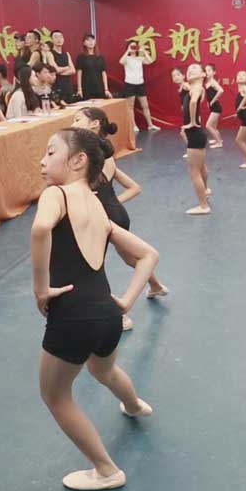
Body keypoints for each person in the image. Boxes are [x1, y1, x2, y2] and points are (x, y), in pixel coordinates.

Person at [32, 126, 158, 491]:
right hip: (107, 314)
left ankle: (106, 470)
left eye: (50, 152)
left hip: (72, 316)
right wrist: (127, 301)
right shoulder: (99, 207)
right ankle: (134, 405)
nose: (42, 161)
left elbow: (40, 229)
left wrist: (40, 289)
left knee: (55, 396)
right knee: (104, 369)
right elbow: (149, 255)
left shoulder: (56, 194)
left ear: (78, 161)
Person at [72, 106, 169, 331]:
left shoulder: (89, 156)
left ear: (94, 124)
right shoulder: (106, 155)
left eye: (77, 120)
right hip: (117, 214)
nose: (73, 124)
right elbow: (135, 187)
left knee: (95, 268)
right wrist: (114, 203)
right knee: (130, 258)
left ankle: (120, 315)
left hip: (103, 219)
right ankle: (155, 286)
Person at [181, 63, 211, 215]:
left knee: (194, 172)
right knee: (201, 167)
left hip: (194, 133)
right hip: (197, 133)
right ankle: (206, 191)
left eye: (194, 69)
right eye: (188, 69)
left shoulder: (197, 87)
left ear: (203, 74)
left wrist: (192, 122)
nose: (190, 71)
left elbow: (193, 102)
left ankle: (203, 206)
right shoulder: (196, 87)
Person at [120, 40, 159, 134]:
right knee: (130, 106)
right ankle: (134, 125)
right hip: (130, 83)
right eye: (131, 46)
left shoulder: (139, 56)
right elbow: (121, 62)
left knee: (145, 105)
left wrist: (143, 51)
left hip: (140, 83)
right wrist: (128, 51)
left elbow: (150, 61)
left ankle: (150, 125)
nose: (133, 48)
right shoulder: (127, 57)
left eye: (135, 46)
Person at [76, 33, 112, 100]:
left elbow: (103, 74)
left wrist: (106, 89)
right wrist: (79, 89)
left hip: (99, 88)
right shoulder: (81, 57)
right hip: (86, 89)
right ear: (84, 43)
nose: (91, 42)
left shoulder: (100, 57)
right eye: (88, 40)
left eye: (92, 40)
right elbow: (79, 74)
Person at [50, 30, 76, 103]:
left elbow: (73, 70)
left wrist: (60, 72)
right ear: (51, 40)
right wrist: (67, 67)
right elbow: (55, 70)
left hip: (68, 86)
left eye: (61, 37)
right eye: (56, 37)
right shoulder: (50, 53)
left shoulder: (67, 54)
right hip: (57, 86)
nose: (59, 39)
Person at [171, 67, 191, 158]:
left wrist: (191, 106)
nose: (176, 77)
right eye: (173, 76)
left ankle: (191, 151)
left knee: (184, 133)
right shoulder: (180, 87)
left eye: (178, 75)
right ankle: (192, 151)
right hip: (187, 113)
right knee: (187, 134)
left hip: (190, 114)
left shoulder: (185, 85)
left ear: (183, 76)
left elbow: (195, 93)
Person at [204, 64, 224, 148]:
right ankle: (218, 139)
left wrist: (213, 100)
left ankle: (219, 143)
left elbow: (221, 90)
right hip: (213, 107)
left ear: (214, 72)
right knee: (214, 127)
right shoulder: (207, 83)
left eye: (209, 70)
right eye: (205, 70)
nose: (207, 72)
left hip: (216, 108)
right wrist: (208, 102)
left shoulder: (213, 82)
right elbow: (210, 94)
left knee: (208, 125)